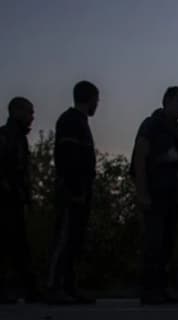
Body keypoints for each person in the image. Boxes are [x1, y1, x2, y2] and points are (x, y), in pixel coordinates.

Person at [131, 86, 178, 305]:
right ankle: (149, 289)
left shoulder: (177, 130)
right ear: (167, 101)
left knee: (167, 243)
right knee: (153, 242)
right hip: (155, 193)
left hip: (171, 194)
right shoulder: (152, 124)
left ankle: (162, 287)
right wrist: (142, 193)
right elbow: (140, 156)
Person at [47, 81, 100, 305]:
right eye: (97, 99)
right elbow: (68, 159)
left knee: (75, 240)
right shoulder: (70, 121)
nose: (97, 104)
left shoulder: (79, 121)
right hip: (71, 191)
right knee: (65, 238)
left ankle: (69, 286)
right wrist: (75, 189)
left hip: (81, 190)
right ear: (91, 98)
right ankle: (54, 287)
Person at [0, 97, 38, 304]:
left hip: (16, 199)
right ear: (16, 111)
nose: (32, 117)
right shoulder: (6, 136)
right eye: (29, 112)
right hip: (7, 200)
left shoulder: (18, 139)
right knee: (10, 244)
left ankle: (28, 289)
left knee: (19, 246)